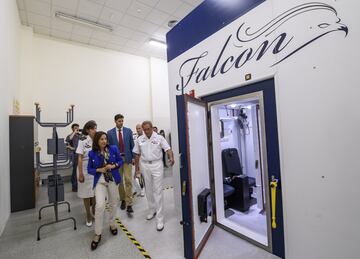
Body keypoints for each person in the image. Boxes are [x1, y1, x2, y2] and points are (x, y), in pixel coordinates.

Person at [133, 121, 174, 231]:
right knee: (148, 190)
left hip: (157, 165)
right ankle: (152, 210)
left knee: (158, 191)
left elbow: (168, 149)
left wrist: (171, 157)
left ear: (152, 128)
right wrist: (136, 169)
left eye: (148, 129)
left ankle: (160, 218)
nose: (146, 131)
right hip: (144, 165)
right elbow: (137, 154)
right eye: (144, 129)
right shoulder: (140, 139)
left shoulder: (159, 138)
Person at [88, 131, 123, 250]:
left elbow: (120, 161)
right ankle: (98, 233)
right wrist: (99, 170)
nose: (104, 141)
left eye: (105, 139)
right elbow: (89, 169)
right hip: (100, 181)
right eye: (101, 139)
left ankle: (112, 224)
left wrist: (113, 166)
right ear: (97, 141)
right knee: (100, 205)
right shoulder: (92, 153)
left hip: (112, 179)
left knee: (113, 202)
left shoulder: (113, 149)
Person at [107, 114, 135, 213]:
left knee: (128, 180)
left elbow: (132, 145)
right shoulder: (110, 133)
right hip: (116, 160)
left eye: (122, 121)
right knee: (119, 181)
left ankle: (129, 203)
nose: (121, 122)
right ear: (115, 121)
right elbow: (109, 148)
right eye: (119, 121)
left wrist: (133, 158)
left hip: (127, 158)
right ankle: (123, 199)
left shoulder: (128, 131)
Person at [76, 120, 97, 227]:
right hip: (84, 169)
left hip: (94, 171)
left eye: (95, 128)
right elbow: (79, 158)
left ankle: (93, 210)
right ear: (88, 130)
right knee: (86, 194)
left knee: (94, 193)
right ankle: (88, 215)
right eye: (93, 128)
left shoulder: (97, 141)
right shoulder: (82, 141)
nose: (95, 130)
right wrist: (80, 173)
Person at [66, 123, 80, 192]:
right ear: (72, 129)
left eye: (78, 128)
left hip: (80, 155)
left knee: (78, 171)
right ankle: (74, 187)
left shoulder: (79, 136)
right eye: (75, 128)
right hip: (74, 156)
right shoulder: (70, 136)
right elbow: (69, 139)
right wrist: (74, 132)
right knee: (75, 171)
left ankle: (78, 185)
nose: (77, 129)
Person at [133, 124, 145, 197]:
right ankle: (138, 189)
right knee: (133, 176)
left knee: (140, 175)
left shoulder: (145, 138)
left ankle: (142, 190)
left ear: (142, 129)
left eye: (139, 128)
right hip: (135, 159)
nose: (138, 130)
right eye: (137, 128)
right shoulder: (134, 138)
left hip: (142, 159)